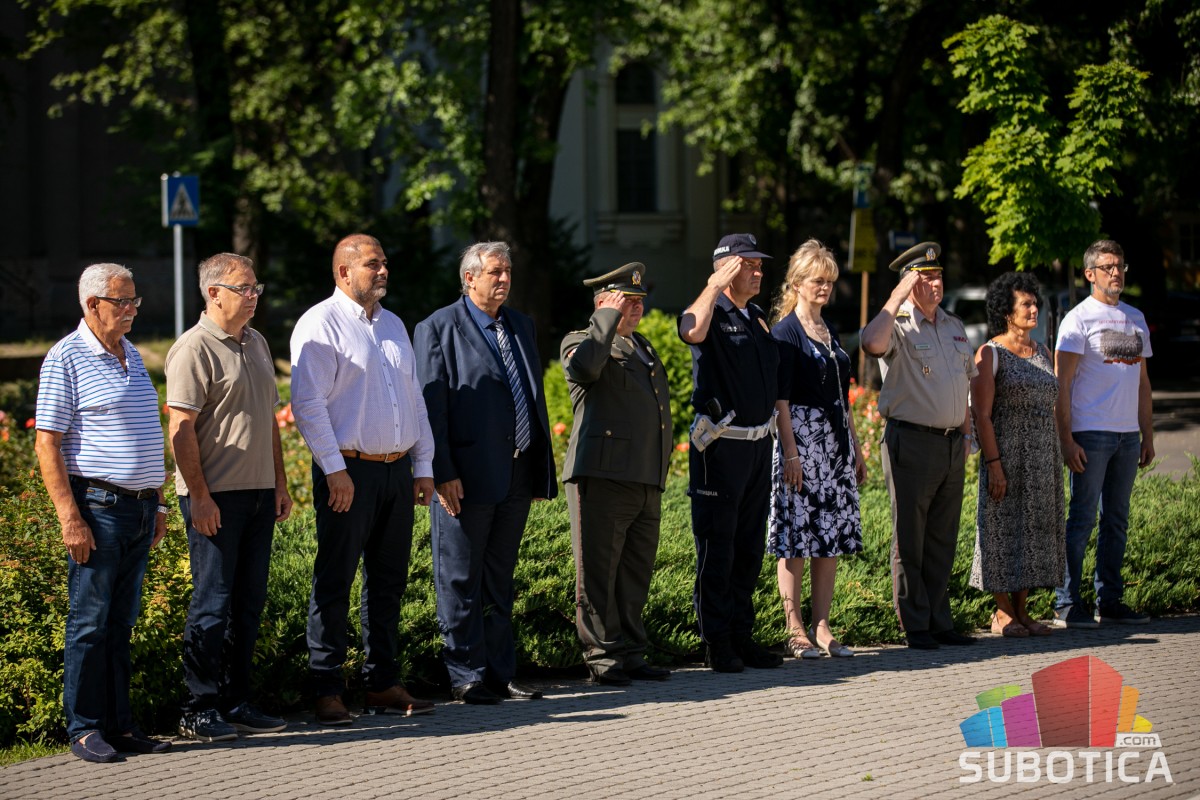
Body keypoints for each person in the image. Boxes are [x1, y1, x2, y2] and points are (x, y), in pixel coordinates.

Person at [290, 234, 436, 725]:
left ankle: (382, 683)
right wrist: (334, 469)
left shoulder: (393, 324)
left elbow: (413, 398)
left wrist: (423, 466)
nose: (383, 271)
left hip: (396, 470)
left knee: (389, 582)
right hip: (348, 471)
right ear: (343, 272)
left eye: (385, 262)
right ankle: (327, 688)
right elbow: (307, 404)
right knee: (335, 580)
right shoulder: (320, 323)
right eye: (373, 264)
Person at [34, 263, 170, 762]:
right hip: (98, 508)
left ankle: (120, 726)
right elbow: (47, 443)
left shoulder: (129, 352)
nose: (132, 309)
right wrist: (70, 517)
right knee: (90, 623)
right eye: (123, 301)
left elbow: (144, 433)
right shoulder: (66, 357)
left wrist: (157, 502)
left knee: (120, 623)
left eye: (135, 300)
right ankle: (85, 729)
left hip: (139, 509)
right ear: (93, 304)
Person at [414, 242, 557, 704]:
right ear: (469, 277)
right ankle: (465, 675)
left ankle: (500, 674)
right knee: (459, 578)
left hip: (516, 473)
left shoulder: (520, 324)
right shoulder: (438, 328)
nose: (505, 279)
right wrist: (442, 471)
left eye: (508, 271)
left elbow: (531, 396)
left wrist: (537, 469)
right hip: (465, 477)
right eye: (495, 272)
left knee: (500, 578)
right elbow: (431, 407)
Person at [166, 253, 294, 742]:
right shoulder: (192, 348)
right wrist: (199, 497)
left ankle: (237, 701)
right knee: (212, 604)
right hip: (215, 497)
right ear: (213, 293)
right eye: (244, 288)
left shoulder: (256, 342)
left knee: (248, 604)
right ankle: (197, 707)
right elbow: (180, 429)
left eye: (256, 287)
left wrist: (279, 483)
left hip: (259, 494)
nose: (253, 295)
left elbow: (269, 422)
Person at [861, 242, 977, 650]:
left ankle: (939, 620)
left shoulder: (953, 325)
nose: (935, 283)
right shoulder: (896, 324)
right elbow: (871, 344)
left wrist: (967, 435)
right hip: (911, 441)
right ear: (909, 284)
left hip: (951, 444)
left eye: (938, 275)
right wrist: (895, 297)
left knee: (942, 539)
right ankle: (915, 624)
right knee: (910, 537)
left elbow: (965, 384)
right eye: (925, 277)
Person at [561, 263, 673, 685]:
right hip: (602, 478)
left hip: (643, 477)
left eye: (640, 300)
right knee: (598, 573)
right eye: (627, 300)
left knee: (634, 573)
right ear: (604, 304)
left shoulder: (641, 346)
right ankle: (602, 656)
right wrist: (605, 318)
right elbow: (585, 369)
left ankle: (630, 651)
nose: (636, 307)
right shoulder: (581, 342)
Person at [678, 233, 783, 673]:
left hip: (757, 447)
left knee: (748, 548)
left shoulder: (755, 316)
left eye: (759, 265)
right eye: (749, 265)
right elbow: (691, 331)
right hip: (720, 449)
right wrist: (714, 285)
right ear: (726, 268)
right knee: (717, 547)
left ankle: (742, 634)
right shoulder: (710, 311)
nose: (759, 272)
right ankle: (717, 641)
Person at [768, 240, 865, 660]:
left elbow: (843, 396)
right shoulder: (785, 332)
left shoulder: (829, 330)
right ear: (797, 283)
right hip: (801, 442)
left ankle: (822, 625)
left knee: (830, 535)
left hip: (834, 444)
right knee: (796, 536)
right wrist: (790, 452)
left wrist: (856, 447)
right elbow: (780, 399)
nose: (824, 287)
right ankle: (794, 627)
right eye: (817, 280)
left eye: (829, 281)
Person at [1053, 240, 1154, 628]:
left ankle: (1109, 601)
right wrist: (1066, 440)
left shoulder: (1136, 317)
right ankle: (1066, 603)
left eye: (1120, 266)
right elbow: (1062, 385)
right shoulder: (1077, 320)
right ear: (1090, 274)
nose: (1116, 273)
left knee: (1116, 520)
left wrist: (1147, 434)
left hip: (1127, 436)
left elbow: (1143, 383)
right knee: (1081, 520)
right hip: (1091, 434)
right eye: (1108, 267)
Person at [969, 272, 1065, 638]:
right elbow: (981, 415)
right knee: (1000, 532)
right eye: (1026, 304)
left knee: (1033, 535)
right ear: (1006, 312)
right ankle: (1002, 612)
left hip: (1042, 460)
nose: (1034, 309)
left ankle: (1023, 610)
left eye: (1035, 302)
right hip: (1006, 458)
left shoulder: (1042, 351)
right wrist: (994, 465)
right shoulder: (990, 353)